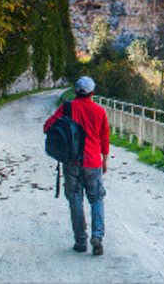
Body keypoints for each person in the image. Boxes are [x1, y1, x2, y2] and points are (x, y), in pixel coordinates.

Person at [43, 76, 110, 255]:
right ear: (92, 92)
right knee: (96, 199)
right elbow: (105, 139)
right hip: (93, 162)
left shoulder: (67, 108)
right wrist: (104, 161)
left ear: (76, 91)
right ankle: (97, 236)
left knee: (75, 199)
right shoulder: (99, 111)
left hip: (72, 162)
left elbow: (47, 127)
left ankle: (80, 241)